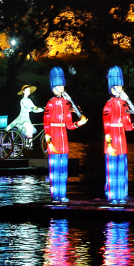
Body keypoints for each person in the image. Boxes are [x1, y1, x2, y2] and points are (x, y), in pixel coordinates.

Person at [43, 67, 87, 202]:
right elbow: (46, 123)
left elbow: (69, 125)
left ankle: (62, 195)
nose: (61, 88)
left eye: (62, 86)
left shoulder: (67, 103)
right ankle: (55, 195)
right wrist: (48, 139)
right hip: (54, 138)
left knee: (63, 170)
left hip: (64, 140)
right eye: (58, 86)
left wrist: (80, 123)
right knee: (54, 169)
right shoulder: (50, 104)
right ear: (53, 87)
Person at [103, 66, 134, 204]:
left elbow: (127, 126)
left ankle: (122, 194)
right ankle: (112, 194)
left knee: (122, 170)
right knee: (112, 170)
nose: (120, 89)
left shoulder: (124, 105)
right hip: (112, 142)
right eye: (117, 86)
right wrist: (109, 145)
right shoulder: (108, 105)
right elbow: (106, 127)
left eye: (121, 86)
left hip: (122, 142)